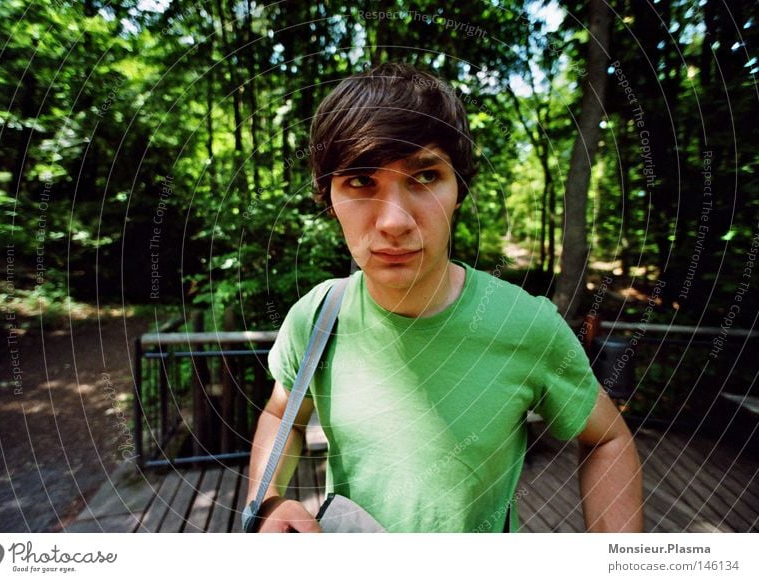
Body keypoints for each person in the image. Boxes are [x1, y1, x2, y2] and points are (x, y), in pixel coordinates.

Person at [245, 62, 643, 533]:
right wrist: (267, 500)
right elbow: (281, 413)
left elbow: (607, 439)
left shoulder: (524, 323)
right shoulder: (317, 316)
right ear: (328, 199)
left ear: (459, 190)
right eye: (360, 181)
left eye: (425, 176)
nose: (394, 221)